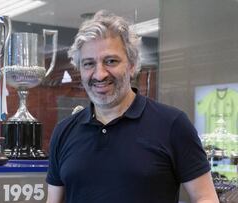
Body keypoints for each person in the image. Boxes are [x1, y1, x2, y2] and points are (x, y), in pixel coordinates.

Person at [46, 10, 219, 203]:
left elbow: (205, 197)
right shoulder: (64, 132)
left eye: (111, 61)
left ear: (132, 65)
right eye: (88, 64)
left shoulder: (172, 125)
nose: (100, 74)